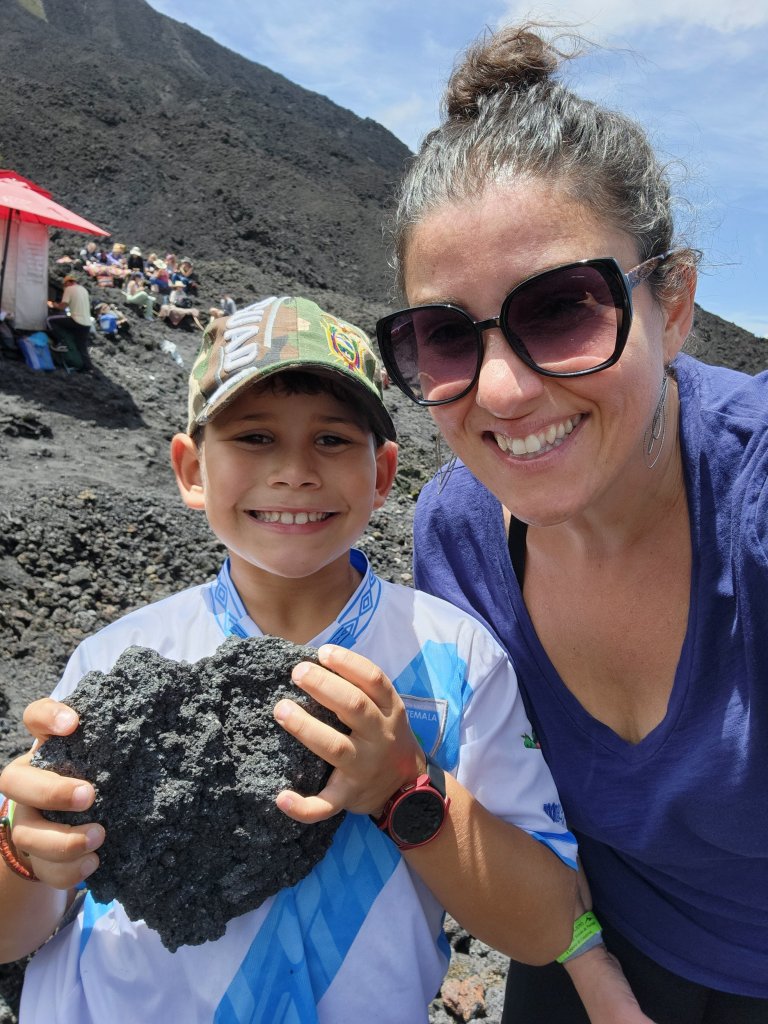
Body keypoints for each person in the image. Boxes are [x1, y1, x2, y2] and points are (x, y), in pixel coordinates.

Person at [0, 295, 578, 1023]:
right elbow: (14, 931)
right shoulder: (115, 661)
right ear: (191, 469)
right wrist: (22, 853)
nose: (295, 471)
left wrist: (404, 786)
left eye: (332, 439)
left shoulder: (454, 658)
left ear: (382, 473)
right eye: (254, 437)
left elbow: (547, 926)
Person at [374, 23, 768, 1024]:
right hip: (598, 942)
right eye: (445, 335)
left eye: (561, 309)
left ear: (675, 304)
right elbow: (513, 799)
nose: (503, 391)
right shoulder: (457, 534)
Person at [46, 273, 94, 373]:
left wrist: (53, 304)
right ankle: (88, 368)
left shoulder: (69, 289)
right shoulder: (83, 290)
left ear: (68, 282)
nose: (64, 287)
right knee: (81, 346)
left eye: (64, 285)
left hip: (76, 320)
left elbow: (62, 306)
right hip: (87, 323)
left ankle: (59, 342)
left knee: (50, 320)